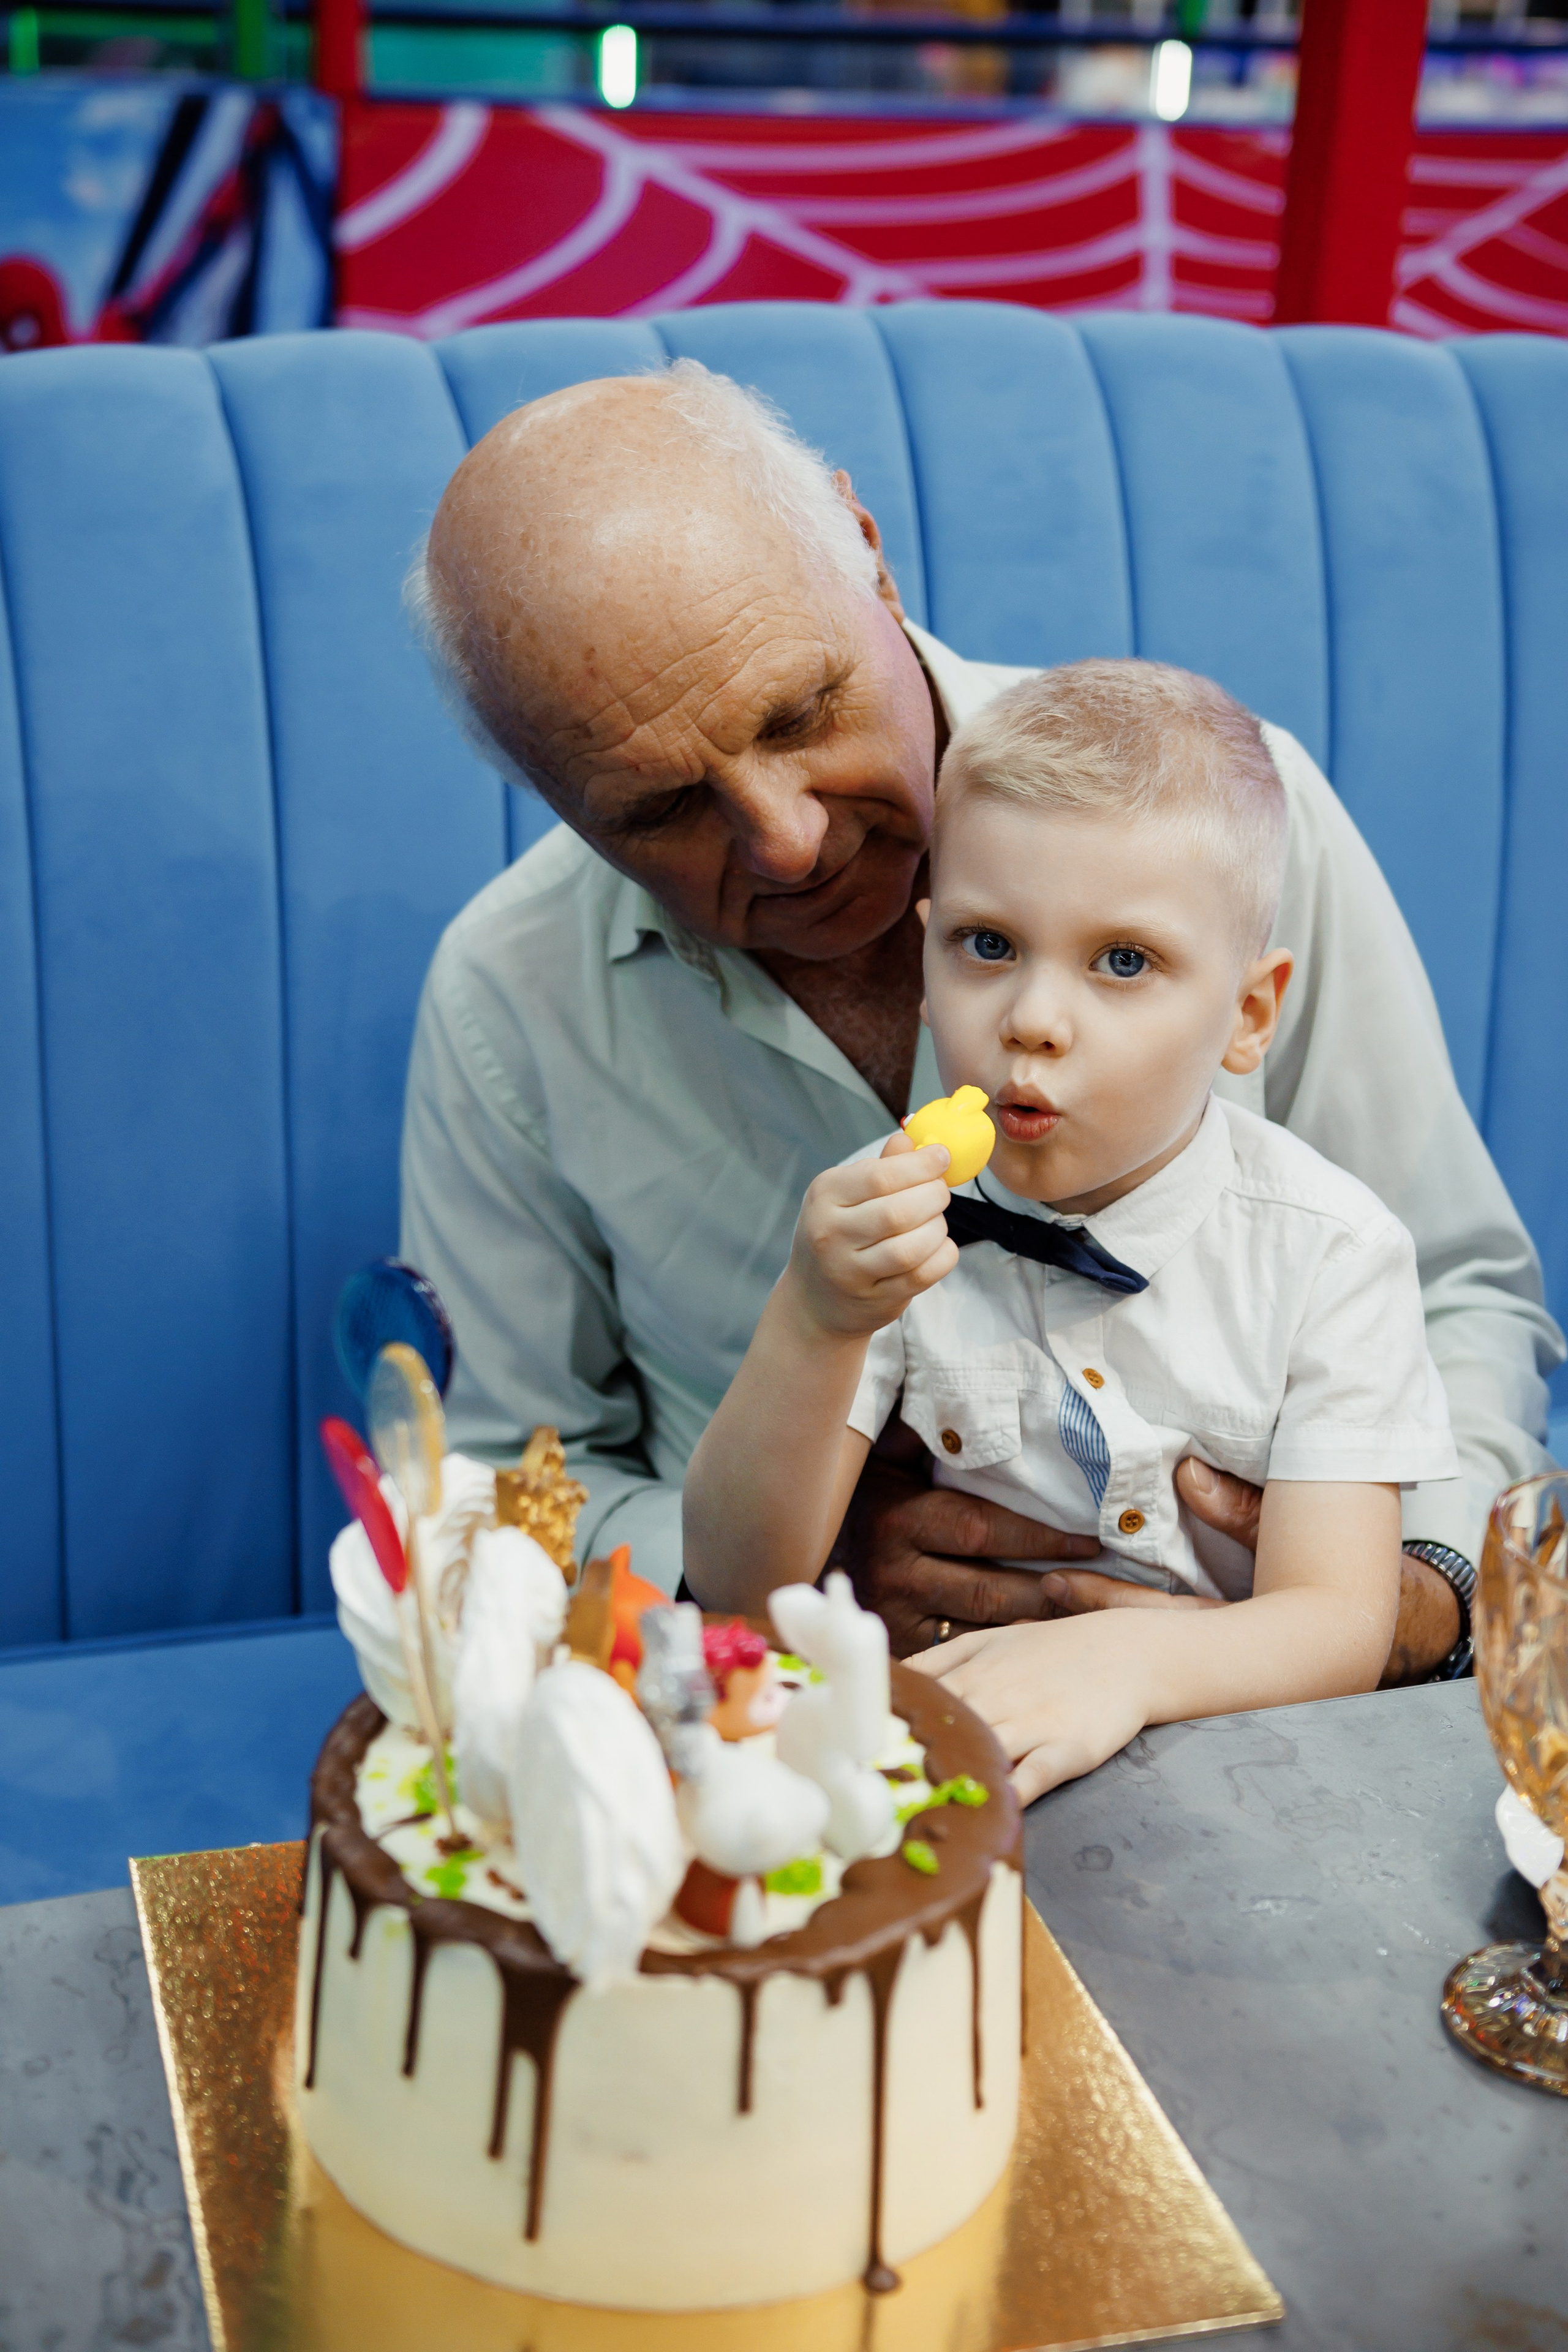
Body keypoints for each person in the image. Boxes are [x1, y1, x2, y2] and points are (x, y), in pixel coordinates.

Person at [400, 360, 1560, 1679]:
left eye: (799, 712)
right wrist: (787, 1579)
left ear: (866, 558)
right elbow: (504, 1486)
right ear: (557, 804)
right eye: (659, 809)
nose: (784, 844)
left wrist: (1409, 1605)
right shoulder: (507, 991)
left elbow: (1454, 1291)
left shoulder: (1229, 820)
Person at [682, 661, 1458, 1795]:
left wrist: (1132, 1661)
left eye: (1124, 962)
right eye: (988, 947)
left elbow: (1340, 1626)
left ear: (1248, 1014)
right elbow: (744, 1590)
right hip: (962, 1765)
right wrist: (814, 1321)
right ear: (928, 954)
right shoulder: (885, 1218)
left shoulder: (1329, 1251)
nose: (1033, 1022)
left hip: (1250, 1766)